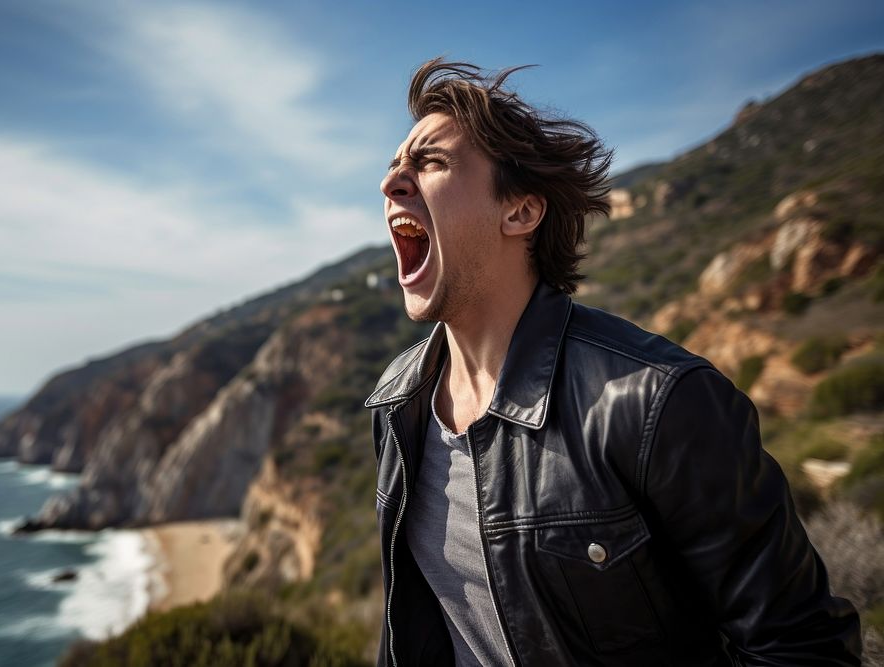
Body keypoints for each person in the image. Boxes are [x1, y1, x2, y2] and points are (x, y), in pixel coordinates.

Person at [365, 58, 861, 666]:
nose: (392, 184)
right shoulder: (397, 402)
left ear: (519, 211)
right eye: (394, 168)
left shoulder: (657, 403)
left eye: (430, 163)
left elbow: (803, 647)